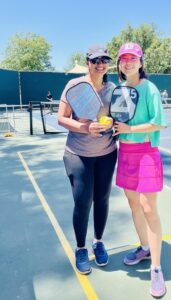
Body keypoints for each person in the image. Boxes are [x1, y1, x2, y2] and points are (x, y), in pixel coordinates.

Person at [113, 42, 167, 298]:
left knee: (149, 209)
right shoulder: (120, 89)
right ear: (120, 64)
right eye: (123, 58)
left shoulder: (150, 89)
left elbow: (159, 123)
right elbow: (119, 120)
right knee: (134, 205)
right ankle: (144, 248)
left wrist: (130, 130)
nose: (128, 62)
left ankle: (156, 269)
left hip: (146, 154)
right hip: (125, 154)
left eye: (132, 58)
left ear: (141, 62)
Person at [58, 45, 117, 275]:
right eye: (95, 60)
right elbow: (62, 119)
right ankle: (81, 248)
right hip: (78, 154)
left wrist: (111, 122)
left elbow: (114, 117)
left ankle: (98, 242)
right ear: (88, 63)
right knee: (83, 202)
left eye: (104, 60)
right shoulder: (75, 86)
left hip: (107, 153)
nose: (100, 64)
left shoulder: (112, 88)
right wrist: (85, 127)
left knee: (102, 199)